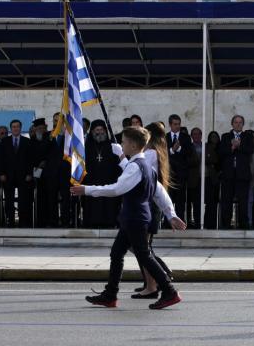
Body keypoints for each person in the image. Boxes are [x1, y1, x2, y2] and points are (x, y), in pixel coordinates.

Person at [73, 126, 186, 310]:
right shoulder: (145, 167)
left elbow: (117, 188)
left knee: (144, 255)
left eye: (124, 142)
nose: (122, 144)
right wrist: (170, 213)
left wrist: (87, 189)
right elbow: (159, 192)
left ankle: (170, 291)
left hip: (135, 218)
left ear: (133, 145)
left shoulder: (136, 167)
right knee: (117, 253)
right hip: (132, 218)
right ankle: (110, 295)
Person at [82, 120, 122, 228]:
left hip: (108, 180)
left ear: (105, 131)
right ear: (92, 131)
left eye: (101, 129)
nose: (99, 132)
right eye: (97, 130)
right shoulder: (87, 146)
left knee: (108, 204)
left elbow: (117, 163)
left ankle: (109, 222)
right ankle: (92, 222)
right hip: (92, 180)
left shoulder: (112, 145)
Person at [218, 115, 254, 229]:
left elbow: (250, 150)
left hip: (242, 175)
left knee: (243, 201)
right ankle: (226, 224)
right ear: (232, 124)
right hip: (228, 174)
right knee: (226, 201)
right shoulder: (225, 136)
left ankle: (243, 224)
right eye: (236, 122)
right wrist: (232, 148)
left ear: (243, 124)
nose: (238, 124)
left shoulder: (247, 136)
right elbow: (221, 151)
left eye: (240, 122)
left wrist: (239, 145)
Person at [0, 119, 34, 228]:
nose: (15, 128)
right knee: (9, 199)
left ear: (20, 128)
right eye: (13, 127)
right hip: (8, 176)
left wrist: (29, 173)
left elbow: (30, 160)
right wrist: (2, 173)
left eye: (17, 126)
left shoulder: (27, 141)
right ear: (11, 129)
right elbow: (0, 159)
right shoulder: (4, 142)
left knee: (22, 200)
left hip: (23, 176)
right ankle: (10, 220)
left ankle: (23, 221)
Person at [166, 114, 195, 226]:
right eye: (175, 124)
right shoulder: (166, 137)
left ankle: (180, 222)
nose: (177, 126)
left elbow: (190, 153)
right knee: (168, 200)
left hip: (181, 174)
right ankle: (167, 223)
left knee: (180, 201)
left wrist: (180, 149)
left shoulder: (186, 138)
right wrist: (172, 150)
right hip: (169, 174)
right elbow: (163, 154)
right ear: (170, 124)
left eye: (179, 124)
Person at [203, 131, 222, 229]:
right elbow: (207, 160)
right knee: (210, 202)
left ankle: (217, 223)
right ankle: (208, 223)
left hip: (220, 178)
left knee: (217, 202)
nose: (214, 138)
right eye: (212, 136)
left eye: (216, 136)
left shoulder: (221, 147)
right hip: (209, 178)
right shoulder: (206, 147)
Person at [186, 127, 203, 229]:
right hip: (192, 178)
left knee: (199, 203)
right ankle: (189, 222)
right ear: (191, 136)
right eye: (194, 134)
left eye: (198, 134)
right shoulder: (189, 147)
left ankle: (199, 222)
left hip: (204, 178)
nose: (196, 136)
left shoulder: (205, 146)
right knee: (190, 202)